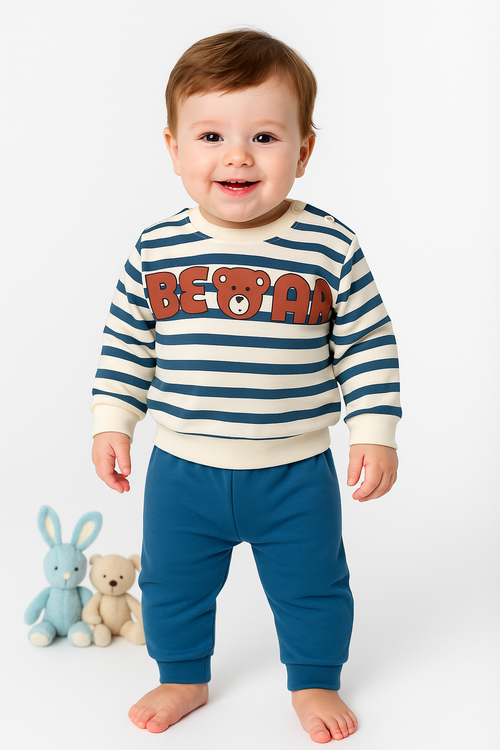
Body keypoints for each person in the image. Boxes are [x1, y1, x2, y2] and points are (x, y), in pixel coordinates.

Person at [91, 29, 401, 743]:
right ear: (173, 149)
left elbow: (367, 344)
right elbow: (127, 343)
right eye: (210, 136)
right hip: (182, 470)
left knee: (313, 585)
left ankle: (315, 678)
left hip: (295, 472)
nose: (237, 156)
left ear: (304, 150)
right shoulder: (156, 248)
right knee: (171, 583)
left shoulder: (330, 246)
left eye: (264, 136)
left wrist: (374, 432)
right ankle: (182, 675)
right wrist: (113, 420)